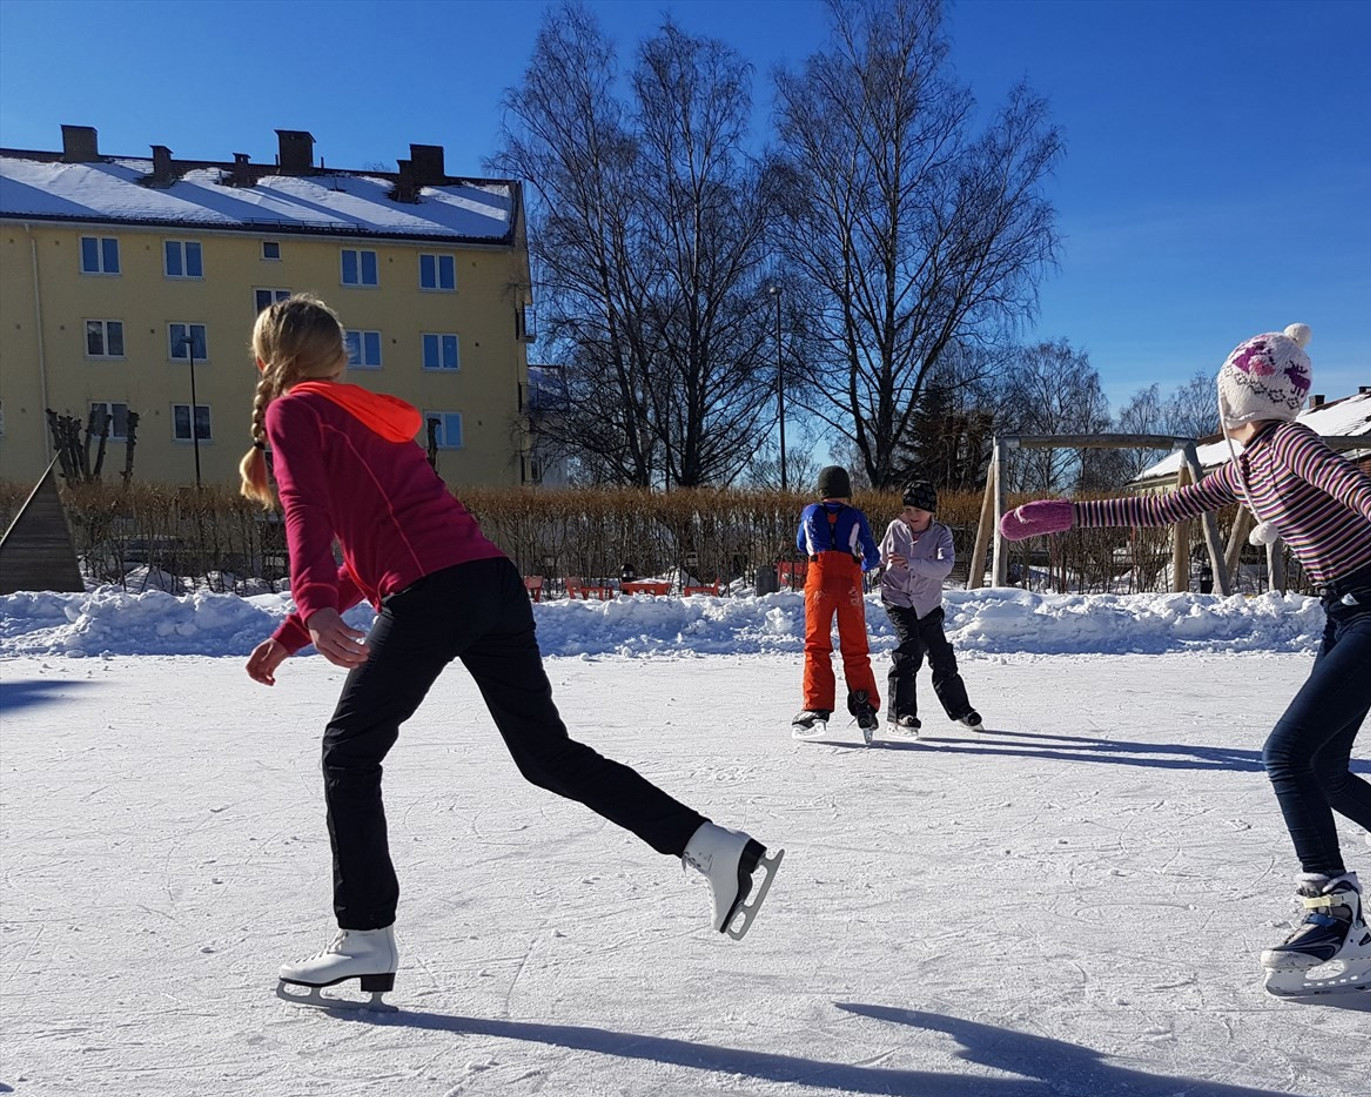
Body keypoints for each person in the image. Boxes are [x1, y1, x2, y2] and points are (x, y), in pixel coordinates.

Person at [238, 295, 780, 1004]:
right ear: (338, 358)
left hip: (434, 591)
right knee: (547, 756)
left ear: (264, 359)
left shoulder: (295, 412)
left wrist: (312, 607)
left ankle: (366, 937)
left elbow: (306, 512)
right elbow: (372, 552)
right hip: (488, 582)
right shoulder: (365, 417)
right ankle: (714, 847)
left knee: (350, 750)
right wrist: (293, 629)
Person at [999, 323, 1371, 998]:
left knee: (1287, 754)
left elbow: (1364, 494)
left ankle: (1333, 916)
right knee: (1321, 764)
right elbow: (1164, 507)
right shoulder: (1245, 465)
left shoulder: (1292, 444)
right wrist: (1068, 514)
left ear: (1237, 396)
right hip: (1349, 610)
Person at [877, 480, 982, 735]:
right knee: (909, 649)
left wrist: (912, 562)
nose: (912, 515)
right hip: (898, 598)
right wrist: (856, 567)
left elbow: (944, 567)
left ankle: (961, 710)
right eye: (908, 510)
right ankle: (902, 713)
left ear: (931, 512)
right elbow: (879, 556)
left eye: (918, 511)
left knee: (942, 656)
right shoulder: (895, 528)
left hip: (928, 604)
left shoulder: (941, 534)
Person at [793, 466, 882, 738]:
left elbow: (800, 544)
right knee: (855, 646)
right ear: (847, 493)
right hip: (849, 582)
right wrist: (861, 567)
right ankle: (864, 704)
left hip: (819, 578)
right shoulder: (855, 516)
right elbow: (873, 555)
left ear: (821, 492)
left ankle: (816, 707)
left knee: (817, 644)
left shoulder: (810, 513)